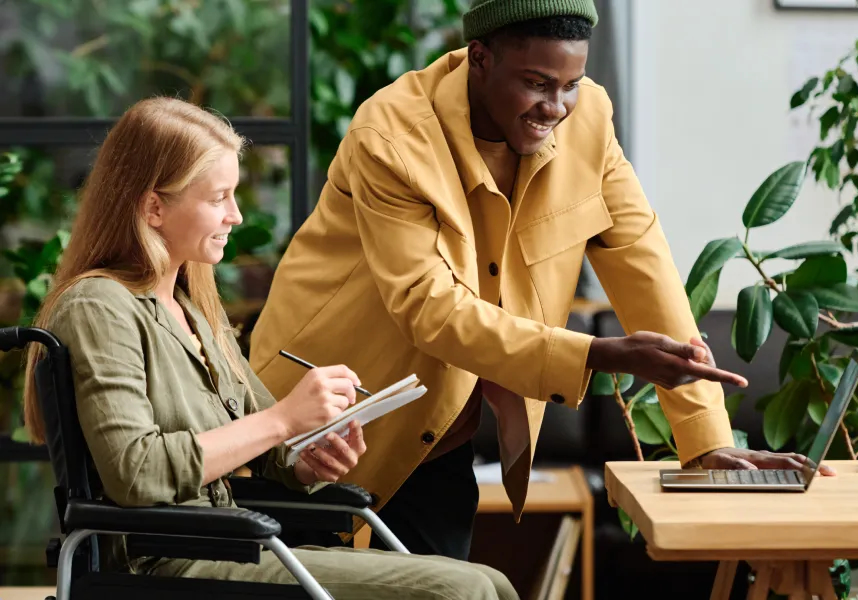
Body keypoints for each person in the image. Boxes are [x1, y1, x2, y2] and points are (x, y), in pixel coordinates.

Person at [250, 0, 833, 562]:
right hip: (315, 424)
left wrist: (706, 438)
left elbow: (640, 261)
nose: (555, 106)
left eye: (570, 85)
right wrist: (599, 354)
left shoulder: (591, 122)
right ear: (479, 57)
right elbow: (429, 307)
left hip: (435, 440)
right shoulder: (393, 134)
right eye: (536, 83)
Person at [20, 97, 518, 600]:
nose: (235, 215)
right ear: (154, 207)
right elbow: (136, 472)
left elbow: (272, 446)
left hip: (231, 545)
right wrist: (284, 419)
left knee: (494, 583)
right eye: (218, 198)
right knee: (462, 591)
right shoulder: (99, 306)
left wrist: (307, 457)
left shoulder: (193, 310)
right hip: (169, 562)